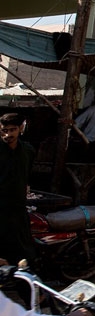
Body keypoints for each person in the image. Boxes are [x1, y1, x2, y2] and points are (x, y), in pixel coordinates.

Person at [0, 114, 36, 266]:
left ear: (21, 128)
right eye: (4, 130)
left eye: (12, 130)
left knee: (23, 252)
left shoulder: (28, 150)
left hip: (17, 208)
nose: (8, 134)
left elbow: (27, 175)